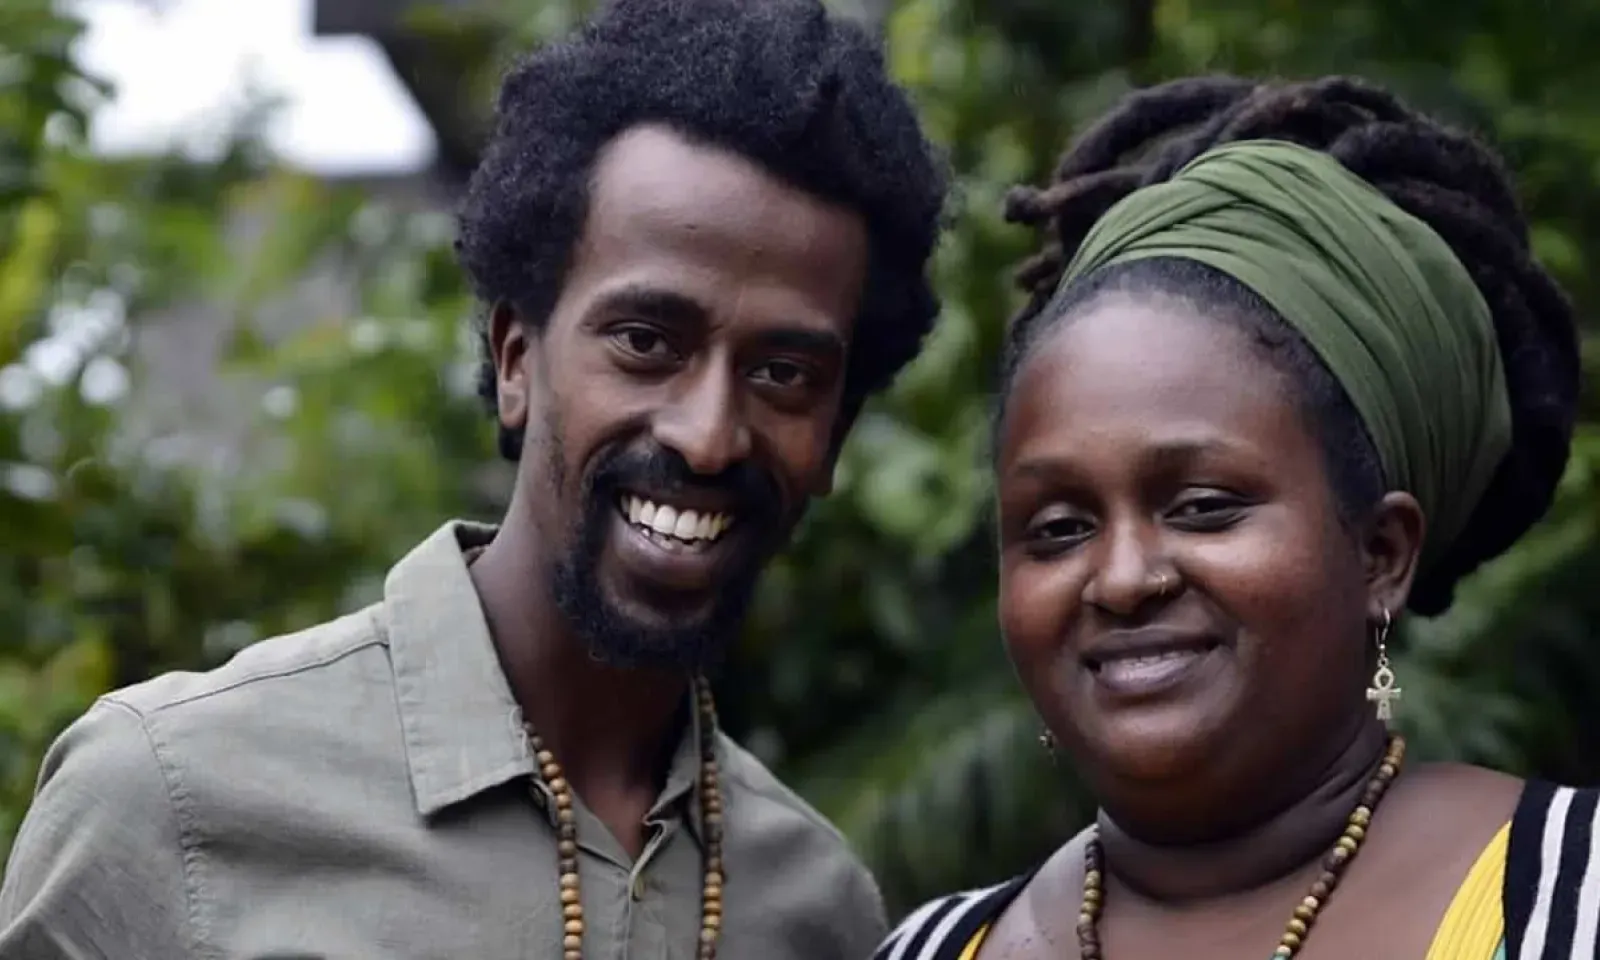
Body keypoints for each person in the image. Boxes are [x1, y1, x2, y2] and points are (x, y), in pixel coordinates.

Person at [0, 1, 948, 957]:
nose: (708, 438)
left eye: (783, 373)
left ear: (835, 432)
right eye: (645, 341)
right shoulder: (167, 803)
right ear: (515, 360)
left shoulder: (819, 906)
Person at [875, 75, 1590, 960]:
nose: (1123, 579)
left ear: (1380, 554)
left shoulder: (1576, 896)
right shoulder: (933, 948)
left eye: (1203, 508)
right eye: (1059, 528)